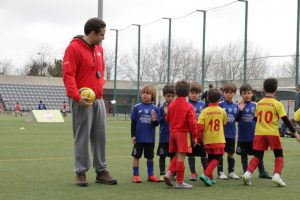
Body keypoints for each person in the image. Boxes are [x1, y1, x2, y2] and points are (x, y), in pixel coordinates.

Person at [63, 17, 117, 187]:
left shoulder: (99, 49)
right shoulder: (73, 48)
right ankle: (81, 172)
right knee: (82, 136)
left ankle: (101, 172)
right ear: (92, 33)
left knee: (100, 137)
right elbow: (68, 75)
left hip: (98, 100)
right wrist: (77, 97)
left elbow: (100, 71)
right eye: (101, 34)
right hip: (81, 101)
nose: (103, 37)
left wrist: (99, 88)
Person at [242, 78, 300, 187]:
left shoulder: (259, 103)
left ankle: (248, 173)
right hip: (272, 133)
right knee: (279, 155)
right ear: (276, 90)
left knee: (258, 156)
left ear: (263, 89)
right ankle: (277, 175)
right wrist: (295, 133)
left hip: (259, 133)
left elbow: (255, 119)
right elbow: (286, 120)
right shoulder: (277, 104)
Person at [163, 80, 198, 189]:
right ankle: (179, 182)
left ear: (175, 91)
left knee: (177, 155)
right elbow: (192, 123)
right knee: (181, 157)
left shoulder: (172, 104)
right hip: (183, 134)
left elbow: (166, 119)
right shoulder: (189, 106)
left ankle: (169, 173)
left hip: (172, 134)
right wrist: (195, 136)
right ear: (188, 93)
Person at [236, 83, 271, 179]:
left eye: (248, 93)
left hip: (254, 135)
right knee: (244, 156)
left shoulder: (256, 105)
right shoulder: (238, 105)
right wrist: (240, 110)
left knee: (258, 154)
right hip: (243, 136)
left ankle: (262, 172)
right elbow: (237, 119)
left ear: (251, 94)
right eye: (244, 93)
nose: (246, 95)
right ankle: (245, 172)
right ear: (241, 94)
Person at [197, 88, 227, 186]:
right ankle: (205, 174)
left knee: (210, 158)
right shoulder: (222, 111)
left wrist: (199, 139)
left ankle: (210, 178)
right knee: (217, 158)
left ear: (207, 98)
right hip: (218, 139)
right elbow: (224, 123)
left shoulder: (204, 111)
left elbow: (200, 127)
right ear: (220, 99)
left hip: (208, 140)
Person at [131, 85, 160, 183]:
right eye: (143, 93)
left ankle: (150, 175)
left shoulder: (155, 108)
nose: (145, 95)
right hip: (139, 138)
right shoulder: (137, 107)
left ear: (153, 96)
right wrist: (133, 135)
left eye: (147, 93)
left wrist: (154, 120)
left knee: (150, 157)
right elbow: (133, 123)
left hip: (150, 139)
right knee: (136, 156)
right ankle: (135, 175)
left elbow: (156, 124)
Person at [218, 83, 240, 180]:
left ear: (234, 94)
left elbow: (237, 119)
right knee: (221, 153)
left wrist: (242, 110)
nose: (228, 94)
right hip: (221, 134)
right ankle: (220, 172)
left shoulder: (236, 106)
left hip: (231, 134)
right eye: (226, 92)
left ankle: (231, 171)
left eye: (231, 93)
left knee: (231, 153)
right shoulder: (220, 105)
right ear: (223, 93)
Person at [187, 82, 207, 181]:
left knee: (203, 154)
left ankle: (206, 173)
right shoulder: (186, 104)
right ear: (188, 93)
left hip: (201, 135)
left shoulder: (203, 105)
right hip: (189, 134)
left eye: (196, 93)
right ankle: (193, 173)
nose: (194, 95)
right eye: (192, 92)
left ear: (200, 94)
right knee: (191, 154)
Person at [156, 84, 176, 181]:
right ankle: (162, 173)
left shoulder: (176, 106)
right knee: (162, 155)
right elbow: (159, 120)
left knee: (173, 156)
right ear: (164, 95)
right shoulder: (161, 107)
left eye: (172, 96)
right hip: (164, 136)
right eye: (168, 96)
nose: (170, 98)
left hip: (174, 136)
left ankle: (172, 173)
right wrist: (165, 115)